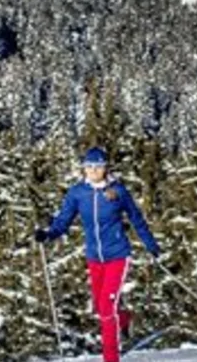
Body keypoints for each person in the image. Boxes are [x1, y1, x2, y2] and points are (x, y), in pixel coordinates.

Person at [35, 146, 162, 362]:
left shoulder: (118, 191)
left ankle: (111, 358)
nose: (94, 171)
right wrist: (48, 235)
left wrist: (151, 245)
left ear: (105, 168)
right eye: (89, 167)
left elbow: (136, 218)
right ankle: (124, 318)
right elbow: (63, 220)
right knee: (101, 307)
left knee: (105, 309)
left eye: (99, 167)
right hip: (94, 258)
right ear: (84, 169)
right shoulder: (77, 193)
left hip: (118, 255)